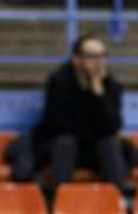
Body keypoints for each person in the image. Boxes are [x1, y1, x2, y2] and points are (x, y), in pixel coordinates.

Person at [10, 34, 129, 189]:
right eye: (92, 56)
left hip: (92, 150)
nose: (98, 61)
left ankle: (117, 200)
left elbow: (113, 127)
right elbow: (58, 125)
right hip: (60, 149)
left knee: (108, 144)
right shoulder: (59, 82)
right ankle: (59, 200)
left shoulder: (111, 86)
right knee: (66, 142)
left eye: (102, 56)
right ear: (76, 59)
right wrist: (92, 129)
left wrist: (99, 94)